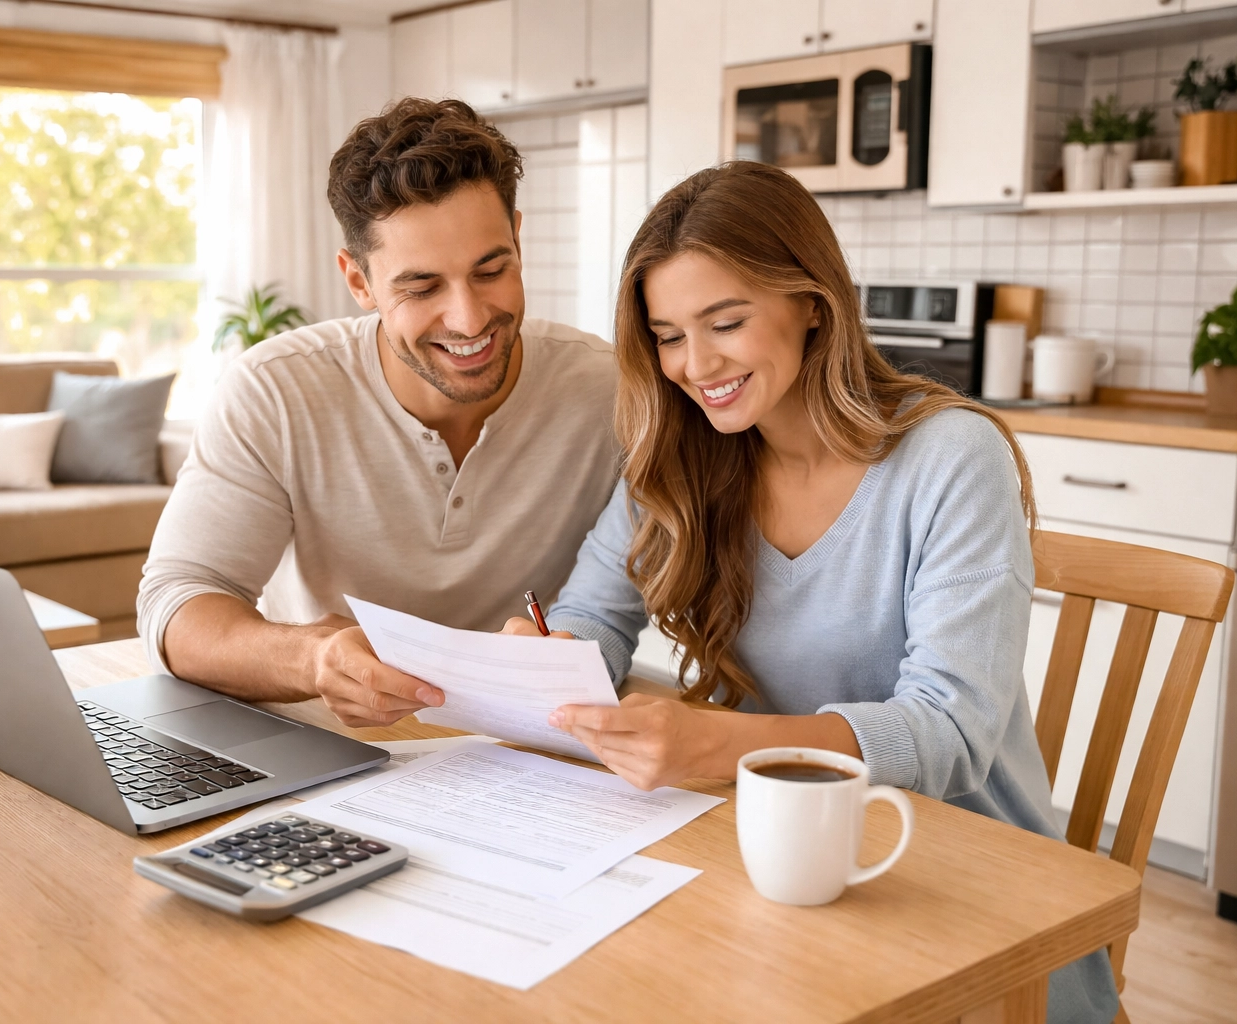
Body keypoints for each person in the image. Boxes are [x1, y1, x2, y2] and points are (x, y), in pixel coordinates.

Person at [501, 161, 1118, 1023]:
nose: (695, 364)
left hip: (967, 894)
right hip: (778, 859)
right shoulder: (681, 461)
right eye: (669, 335)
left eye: (726, 322)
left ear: (812, 303)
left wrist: (718, 746)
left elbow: (951, 729)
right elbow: (592, 614)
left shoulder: (949, 460)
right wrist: (550, 663)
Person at [138, 98, 620, 728]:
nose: (469, 319)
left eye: (491, 269)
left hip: (524, 746)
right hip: (329, 744)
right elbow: (177, 608)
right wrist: (311, 658)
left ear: (518, 239)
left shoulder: (610, 390)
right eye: (421, 288)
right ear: (359, 282)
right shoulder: (276, 390)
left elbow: (624, 598)